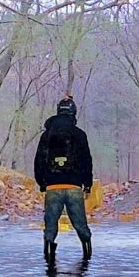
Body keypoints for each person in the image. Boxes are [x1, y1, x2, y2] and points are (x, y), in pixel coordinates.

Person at [33, 96, 93, 264]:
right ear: (74, 114)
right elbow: (86, 161)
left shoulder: (47, 135)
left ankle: (49, 259)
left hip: (52, 187)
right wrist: (87, 185)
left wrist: (42, 183)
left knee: (50, 227)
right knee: (81, 225)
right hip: (74, 187)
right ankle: (87, 255)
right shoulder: (80, 134)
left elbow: (39, 160)